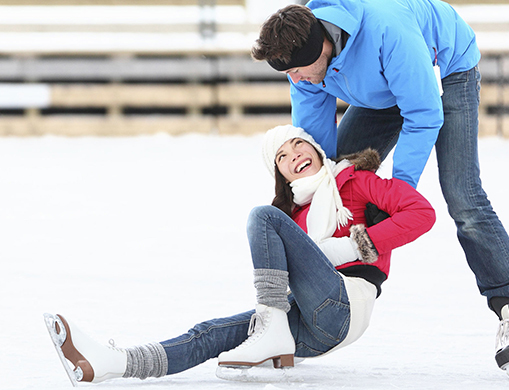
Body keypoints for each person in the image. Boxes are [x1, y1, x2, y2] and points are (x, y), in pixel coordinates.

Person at [250, 0, 509, 379]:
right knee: (339, 181)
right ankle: (327, 286)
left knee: (463, 196)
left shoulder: (387, 32)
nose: (295, 79)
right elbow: (316, 141)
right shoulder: (302, 57)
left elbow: (423, 113)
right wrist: (318, 190)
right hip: (383, 87)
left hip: (446, 71)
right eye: (289, 74)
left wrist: (397, 194)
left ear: (320, 49)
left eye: (298, 70)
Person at [44, 124, 435, 385]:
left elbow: (422, 213)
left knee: (262, 217)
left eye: (298, 142)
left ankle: (271, 327)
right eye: (281, 156)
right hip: (315, 329)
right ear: (282, 175)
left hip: (348, 302)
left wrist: (354, 246)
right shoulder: (293, 218)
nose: (294, 153)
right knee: (210, 333)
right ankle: (115, 363)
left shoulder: (357, 181)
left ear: (315, 148)